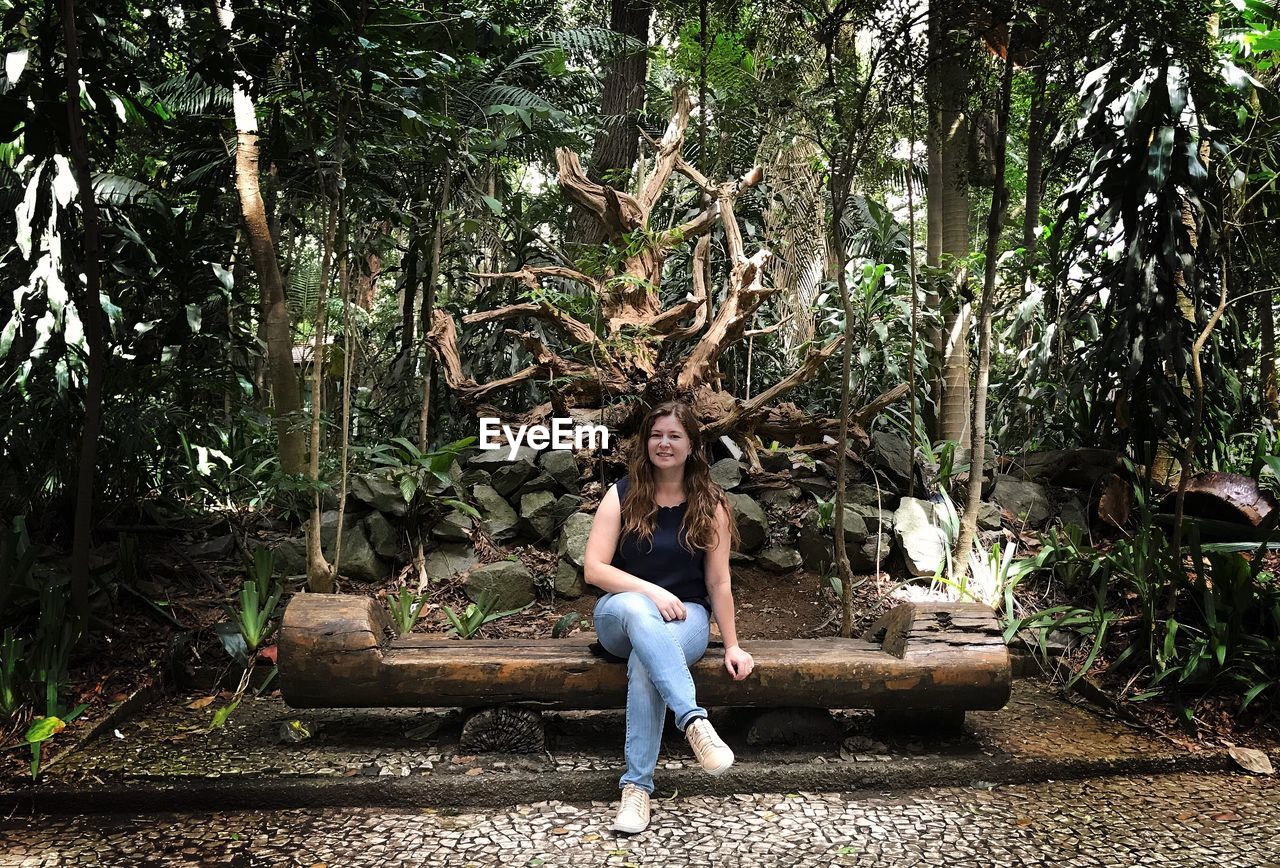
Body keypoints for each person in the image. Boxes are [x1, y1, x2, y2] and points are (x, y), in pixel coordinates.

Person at [583, 400, 755, 835]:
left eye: (675, 436)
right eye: (657, 435)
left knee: (647, 661)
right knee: (640, 612)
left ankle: (636, 791)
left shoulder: (710, 503)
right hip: (619, 615)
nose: (664, 443)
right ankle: (693, 720)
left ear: (692, 444)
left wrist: (732, 644)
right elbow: (595, 569)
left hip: (687, 618)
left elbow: (718, 583)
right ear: (645, 443)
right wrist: (652, 591)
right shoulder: (622, 494)